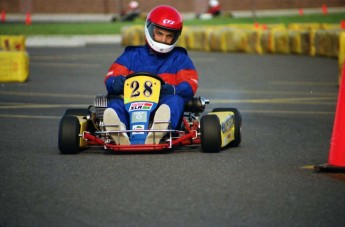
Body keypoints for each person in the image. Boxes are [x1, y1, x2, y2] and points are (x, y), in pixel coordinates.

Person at [103, 5, 199, 145]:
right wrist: (115, 82)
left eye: (168, 36)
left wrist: (174, 90)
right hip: (131, 106)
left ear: (175, 37)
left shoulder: (180, 58)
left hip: (161, 104)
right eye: (159, 34)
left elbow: (190, 83)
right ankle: (119, 130)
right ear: (149, 29)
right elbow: (111, 76)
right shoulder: (132, 54)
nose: (163, 40)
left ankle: (159, 129)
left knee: (175, 101)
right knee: (116, 103)